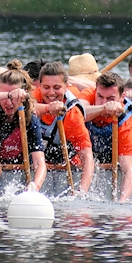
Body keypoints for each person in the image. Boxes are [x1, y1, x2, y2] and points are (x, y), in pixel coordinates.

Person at [0, 61, 47, 190]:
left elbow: (39, 163)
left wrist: (35, 187)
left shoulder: (29, 119)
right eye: (4, 96)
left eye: (14, 97)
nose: (9, 103)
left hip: (16, 176)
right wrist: (8, 95)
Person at [33, 61, 96, 194]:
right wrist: (48, 108)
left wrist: (82, 192)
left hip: (66, 165)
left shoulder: (73, 114)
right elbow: (27, 108)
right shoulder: (34, 97)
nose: (51, 93)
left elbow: (87, 158)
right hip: (36, 161)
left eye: (57, 87)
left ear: (66, 87)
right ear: (39, 86)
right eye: (46, 87)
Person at [77, 72, 132, 202]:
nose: (103, 101)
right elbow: (79, 113)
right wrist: (103, 108)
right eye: (99, 96)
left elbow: (128, 171)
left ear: (122, 97)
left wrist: (121, 203)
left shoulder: (126, 119)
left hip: (112, 159)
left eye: (110, 98)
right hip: (80, 160)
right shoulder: (88, 93)